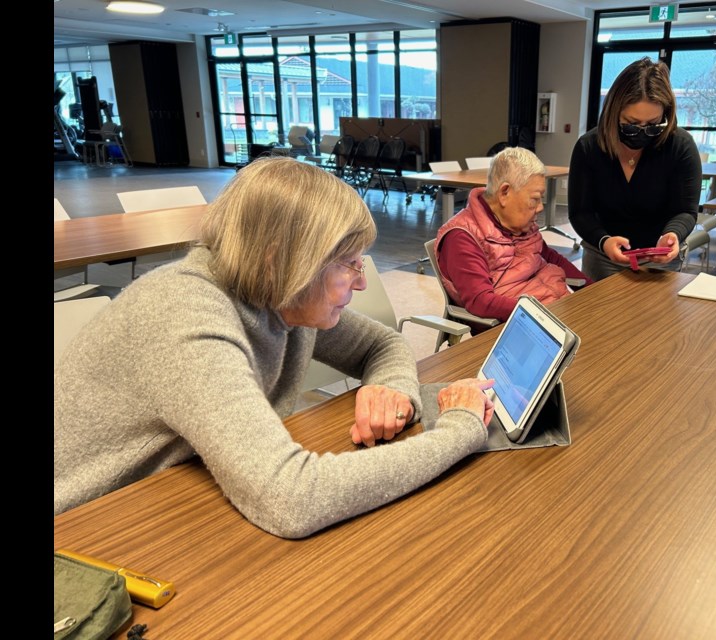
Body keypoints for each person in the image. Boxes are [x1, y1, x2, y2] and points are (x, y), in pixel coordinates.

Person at [54, 157, 495, 539]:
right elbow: (293, 499)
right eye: (348, 264)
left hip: (162, 502)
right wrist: (459, 431)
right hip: (87, 533)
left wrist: (392, 389)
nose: (361, 282)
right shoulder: (185, 315)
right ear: (280, 260)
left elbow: (382, 343)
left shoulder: (283, 295)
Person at [568, 57, 702, 281]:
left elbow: (686, 211)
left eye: (652, 125)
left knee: (656, 315)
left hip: (659, 260)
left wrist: (672, 235)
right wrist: (603, 240)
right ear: (613, 114)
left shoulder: (680, 146)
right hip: (603, 256)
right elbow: (580, 212)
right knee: (598, 315)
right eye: (631, 124)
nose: (641, 133)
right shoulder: (589, 147)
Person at [435, 147, 591, 324]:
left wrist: (591, 289)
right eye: (535, 198)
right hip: (522, 325)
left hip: (554, 307)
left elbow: (550, 257)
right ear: (504, 193)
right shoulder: (462, 238)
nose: (540, 207)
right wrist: (543, 316)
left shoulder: (521, 224)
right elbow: (480, 301)